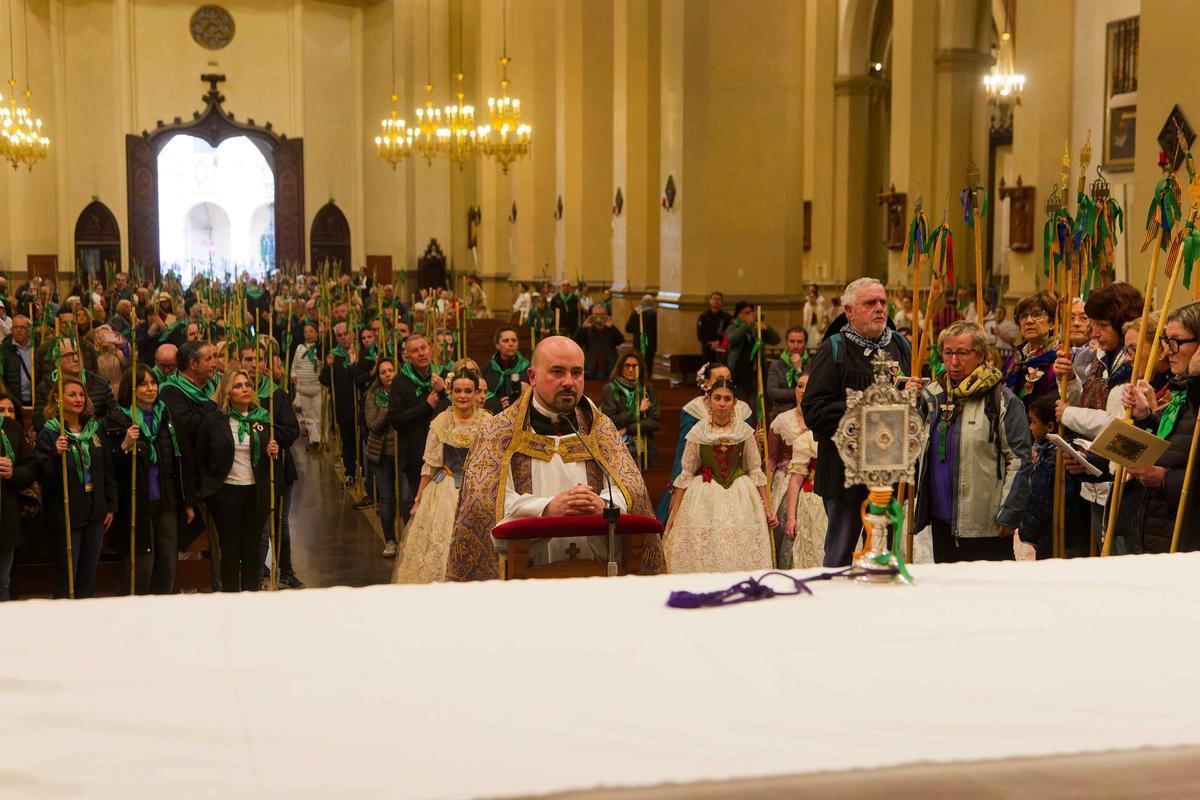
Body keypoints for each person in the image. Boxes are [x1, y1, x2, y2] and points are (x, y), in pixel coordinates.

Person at [445, 336, 666, 581]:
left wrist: (602, 506)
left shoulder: (600, 429)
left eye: (577, 372)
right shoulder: (498, 433)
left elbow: (629, 491)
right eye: (557, 372)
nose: (569, 382)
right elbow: (486, 503)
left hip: (596, 573)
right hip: (526, 572)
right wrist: (547, 508)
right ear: (532, 376)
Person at [803, 277, 911, 567]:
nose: (879, 309)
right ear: (849, 311)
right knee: (839, 558)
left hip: (888, 474)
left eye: (883, 302)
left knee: (884, 560)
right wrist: (869, 405)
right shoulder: (834, 349)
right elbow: (814, 411)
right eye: (870, 303)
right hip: (844, 475)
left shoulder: (900, 346)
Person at [915, 321, 1032, 562]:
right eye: (948, 353)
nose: (954, 362)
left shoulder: (1002, 401)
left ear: (981, 355)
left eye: (962, 353)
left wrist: (1009, 513)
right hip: (942, 522)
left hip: (986, 526)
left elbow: (1019, 461)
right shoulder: (932, 397)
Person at [1053, 282, 1143, 554]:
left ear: (1122, 322)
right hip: (1095, 480)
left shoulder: (1132, 363)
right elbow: (1090, 401)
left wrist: (1068, 414)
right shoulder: (1101, 359)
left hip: (1122, 483)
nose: (1095, 332)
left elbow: (1115, 422)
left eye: (1101, 325)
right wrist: (1066, 382)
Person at [664, 378, 775, 573]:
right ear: (709, 400)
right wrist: (674, 514)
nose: (722, 403)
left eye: (727, 399)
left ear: (734, 402)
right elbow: (686, 473)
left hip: (741, 495)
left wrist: (767, 509)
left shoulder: (744, 431)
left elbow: (755, 470)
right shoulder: (698, 432)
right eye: (717, 398)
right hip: (705, 496)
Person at [393, 368, 490, 583]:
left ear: (476, 393)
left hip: (477, 488)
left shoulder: (487, 422)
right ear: (451, 392)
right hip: (445, 488)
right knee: (441, 542)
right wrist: (418, 500)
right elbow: (430, 465)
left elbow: (493, 462)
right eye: (457, 391)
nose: (462, 396)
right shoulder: (441, 422)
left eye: (467, 391)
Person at [1121, 300, 1200, 553]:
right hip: (1156, 531)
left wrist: (1164, 478)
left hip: (1187, 541)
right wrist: (1146, 417)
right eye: (1165, 341)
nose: (1165, 352)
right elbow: (1176, 446)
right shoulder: (1184, 394)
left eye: (1174, 342)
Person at [194, 369, 280, 592]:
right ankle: (231, 597)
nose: (244, 389)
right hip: (226, 493)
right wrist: (208, 489)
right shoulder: (215, 420)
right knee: (230, 549)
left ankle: (252, 593)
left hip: (254, 492)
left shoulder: (261, 418)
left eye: (247, 385)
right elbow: (201, 456)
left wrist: (273, 451)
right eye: (238, 386)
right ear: (227, 392)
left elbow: (268, 460)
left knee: (252, 549)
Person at [105, 365, 185, 595]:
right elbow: (110, 465)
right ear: (131, 388)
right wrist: (125, 445)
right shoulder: (118, 419)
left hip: (165, 499)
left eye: (153, 382)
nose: (151, 388)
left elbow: (178, 458)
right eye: (143, 384)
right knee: (141, 566)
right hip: (135, 503)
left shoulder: (165, 415)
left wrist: (185, 499)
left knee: (167, 562)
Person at [37, 377, 117, 598]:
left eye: (81, 394)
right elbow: (43, 475)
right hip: (67, 513)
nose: (78, 399)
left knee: (88, 574)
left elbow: (107, 470)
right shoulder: (51, 432)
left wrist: (110, 504)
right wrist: (56, 455)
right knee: (67, 575)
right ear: (58, 399)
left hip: (95, 510)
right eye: (72, 395)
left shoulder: (94, 428)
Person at [654, 362, 753, 523]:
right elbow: (684, 453)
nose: (725, 383)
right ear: (706, 383)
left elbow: (748, 453)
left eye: (728, 378)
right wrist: (676, 487)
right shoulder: (693, 410)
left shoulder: (742, 409)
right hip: (702, 479)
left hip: (736, 482)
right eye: (720, 378)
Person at [158, 341, 218, 550]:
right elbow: (188, 427)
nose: (215, 363)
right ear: (193, 364)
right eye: (209, 358)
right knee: (197, 543)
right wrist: (213, 404)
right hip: (191, 473)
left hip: (216, 471)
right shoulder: (170, 392)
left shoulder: (212, 384)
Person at [387, 334, 449, 523]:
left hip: (443, 454)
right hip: (415, 453)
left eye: (423, 348)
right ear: (407, 356)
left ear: (430, 348)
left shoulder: (443, 375)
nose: (421, 353)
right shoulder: (400, 382)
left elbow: (458, 408)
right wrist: (426, 405)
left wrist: (444, 390)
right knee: (415, 503)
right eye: (415, 350)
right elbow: (396, 420)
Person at [781, 376, 826, 568]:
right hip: (812, 502)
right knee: (812, 554)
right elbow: (795, 480)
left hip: (840, 500)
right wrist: (792, 518)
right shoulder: (805, 439)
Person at [33, 336, 115, 431]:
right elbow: (39, 422)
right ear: (57, 361)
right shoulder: (46, 387)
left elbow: (114, 414)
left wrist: (92, 428)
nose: (76, 359)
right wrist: (68, 429)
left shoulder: (100, 384)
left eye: (78, 354)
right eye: (69, 355)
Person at [0, 392, 35, 600]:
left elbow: (30, 469)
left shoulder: (13, 430)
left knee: (3, 582)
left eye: (10, 410)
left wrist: (13, 472)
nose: (6, 415)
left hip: (6, 517)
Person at [365, 356, 401, 557]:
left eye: (391, 370)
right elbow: (372, 425)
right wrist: (387, 409)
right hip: (381, 454)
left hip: (401, 452)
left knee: (405, 499)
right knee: (387, 499)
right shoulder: (373, 395)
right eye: (383, 372)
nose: (388, 374)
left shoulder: (403, 390)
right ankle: (390, 540)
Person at [599, 352, 660, 467]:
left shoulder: (647, 389)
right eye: (627, 365)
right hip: (617, 447)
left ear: (640, 368)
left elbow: (655, 423)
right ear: (621, 367)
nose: (631, 369)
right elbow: (612, 420)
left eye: (635, 366)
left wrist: (627, 428)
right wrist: (637, 411)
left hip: (644, 448)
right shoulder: (610, 389)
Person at [319, 322, 359, 486]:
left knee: (360, 440)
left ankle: (362, 470)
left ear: (352, 334)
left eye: (345, 333)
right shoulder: (333, 356)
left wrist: (354, 363)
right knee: (348, 440)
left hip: (359, 403)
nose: (343, 337)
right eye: (339, 335)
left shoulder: (359, 352)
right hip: (343, 406)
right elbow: (325, 381)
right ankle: (350, 472)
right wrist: (328, 367)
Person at [1003, 292, 1061, 406]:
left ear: (1052, 324)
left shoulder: (1057, 360)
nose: (1029, 321)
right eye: (1023, 316)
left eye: (1037, 314)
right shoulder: (1013, 359)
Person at [1021, 393, 1058, 560]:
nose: (1030, 427)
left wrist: (1028, 530)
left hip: (1050, 533)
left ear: (1049, 426)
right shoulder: (1043, 452)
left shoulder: (1052, 459)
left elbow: (1039, 498)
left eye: (1033, 422)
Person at [725, 301, 780, 404]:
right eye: (746, 313)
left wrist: (766, 328)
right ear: (738, 314)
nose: (750, 315)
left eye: (751, 312)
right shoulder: (733, 327)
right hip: (739, 373)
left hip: (756, 372)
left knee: (756, 404)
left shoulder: (757, 329)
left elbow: (776, 340)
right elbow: (732, 338)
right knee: (740, 403)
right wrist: (747, 325)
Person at [481, 326, 530, 414]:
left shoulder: (527, 368)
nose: (511, 344)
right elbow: (481, 396)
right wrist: (499, 405)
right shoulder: (486, 369)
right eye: (506, 341)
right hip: (493, 415)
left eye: (514, 340)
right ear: (497, 345)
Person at [291, 322, 323, 450]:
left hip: (316, 385)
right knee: (308, 415)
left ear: (316, 333)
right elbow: (294, 364)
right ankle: (314, 439)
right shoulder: (299, 348)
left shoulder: (319, 348)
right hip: (303, 386)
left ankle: (321, 438)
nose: (308, 334)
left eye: (311, 331)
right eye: (306, 332)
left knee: (318, 414)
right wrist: (293, 373)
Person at [572, 304, 625, 380]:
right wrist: (582, 328)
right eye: (596, 314)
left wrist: (613, 327)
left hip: (609, 367)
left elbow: (620, 340)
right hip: (591, 367)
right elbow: (575, 343)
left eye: (602, 314)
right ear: (592, 316)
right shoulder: (587, 330)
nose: (599, 317)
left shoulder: (610, 329)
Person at [766, 325, 808, 417]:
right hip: (780, 413)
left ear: (805, 344)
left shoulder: (812, 364)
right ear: (787, 343)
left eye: (799, 342)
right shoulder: (776, 365)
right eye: (792, 341)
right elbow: (773, 393)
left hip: (805, 414)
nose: (795, 346)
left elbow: (810, 391)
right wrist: (799, 393)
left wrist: (799, 369)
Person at [3, 314, 34, 409]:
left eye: (22, 327)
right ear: (12, 330)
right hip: (14, 400)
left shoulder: (36, 348)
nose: (19, 330)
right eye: (16, 327)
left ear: (28, 330)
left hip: (34, 399)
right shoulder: (4, 350)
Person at [625, 295, 658, 375]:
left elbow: (628, 328)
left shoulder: (636, 313)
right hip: (650, 343)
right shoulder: (655, 314)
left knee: (638, 363)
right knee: (648, 364)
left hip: (638, 343)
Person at [696, 291, 732, 363]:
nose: (716, 301)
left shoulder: (726, 317)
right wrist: (710, 343)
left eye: (719, 299)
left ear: (722, 302)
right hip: (708, 347)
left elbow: (728, 332)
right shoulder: (703, 317)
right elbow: (700, 334)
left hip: (722, 347)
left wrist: (718, 342)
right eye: (714, 298)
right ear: (710, 301)